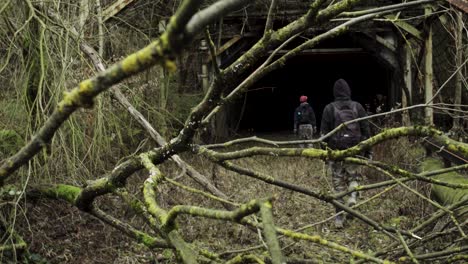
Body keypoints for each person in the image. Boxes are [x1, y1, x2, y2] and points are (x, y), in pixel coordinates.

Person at [320, 79, 370, 228]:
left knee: (338, 184)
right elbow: (366, 131)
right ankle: (353, 196)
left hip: (336, 151)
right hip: (355, 149)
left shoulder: (329, 108)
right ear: (348, 91)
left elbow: (324, 134)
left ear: (335, 93)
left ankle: (339, 218)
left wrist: (325, 154)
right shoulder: (358, 107)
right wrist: (368, 151)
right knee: (353, 177)